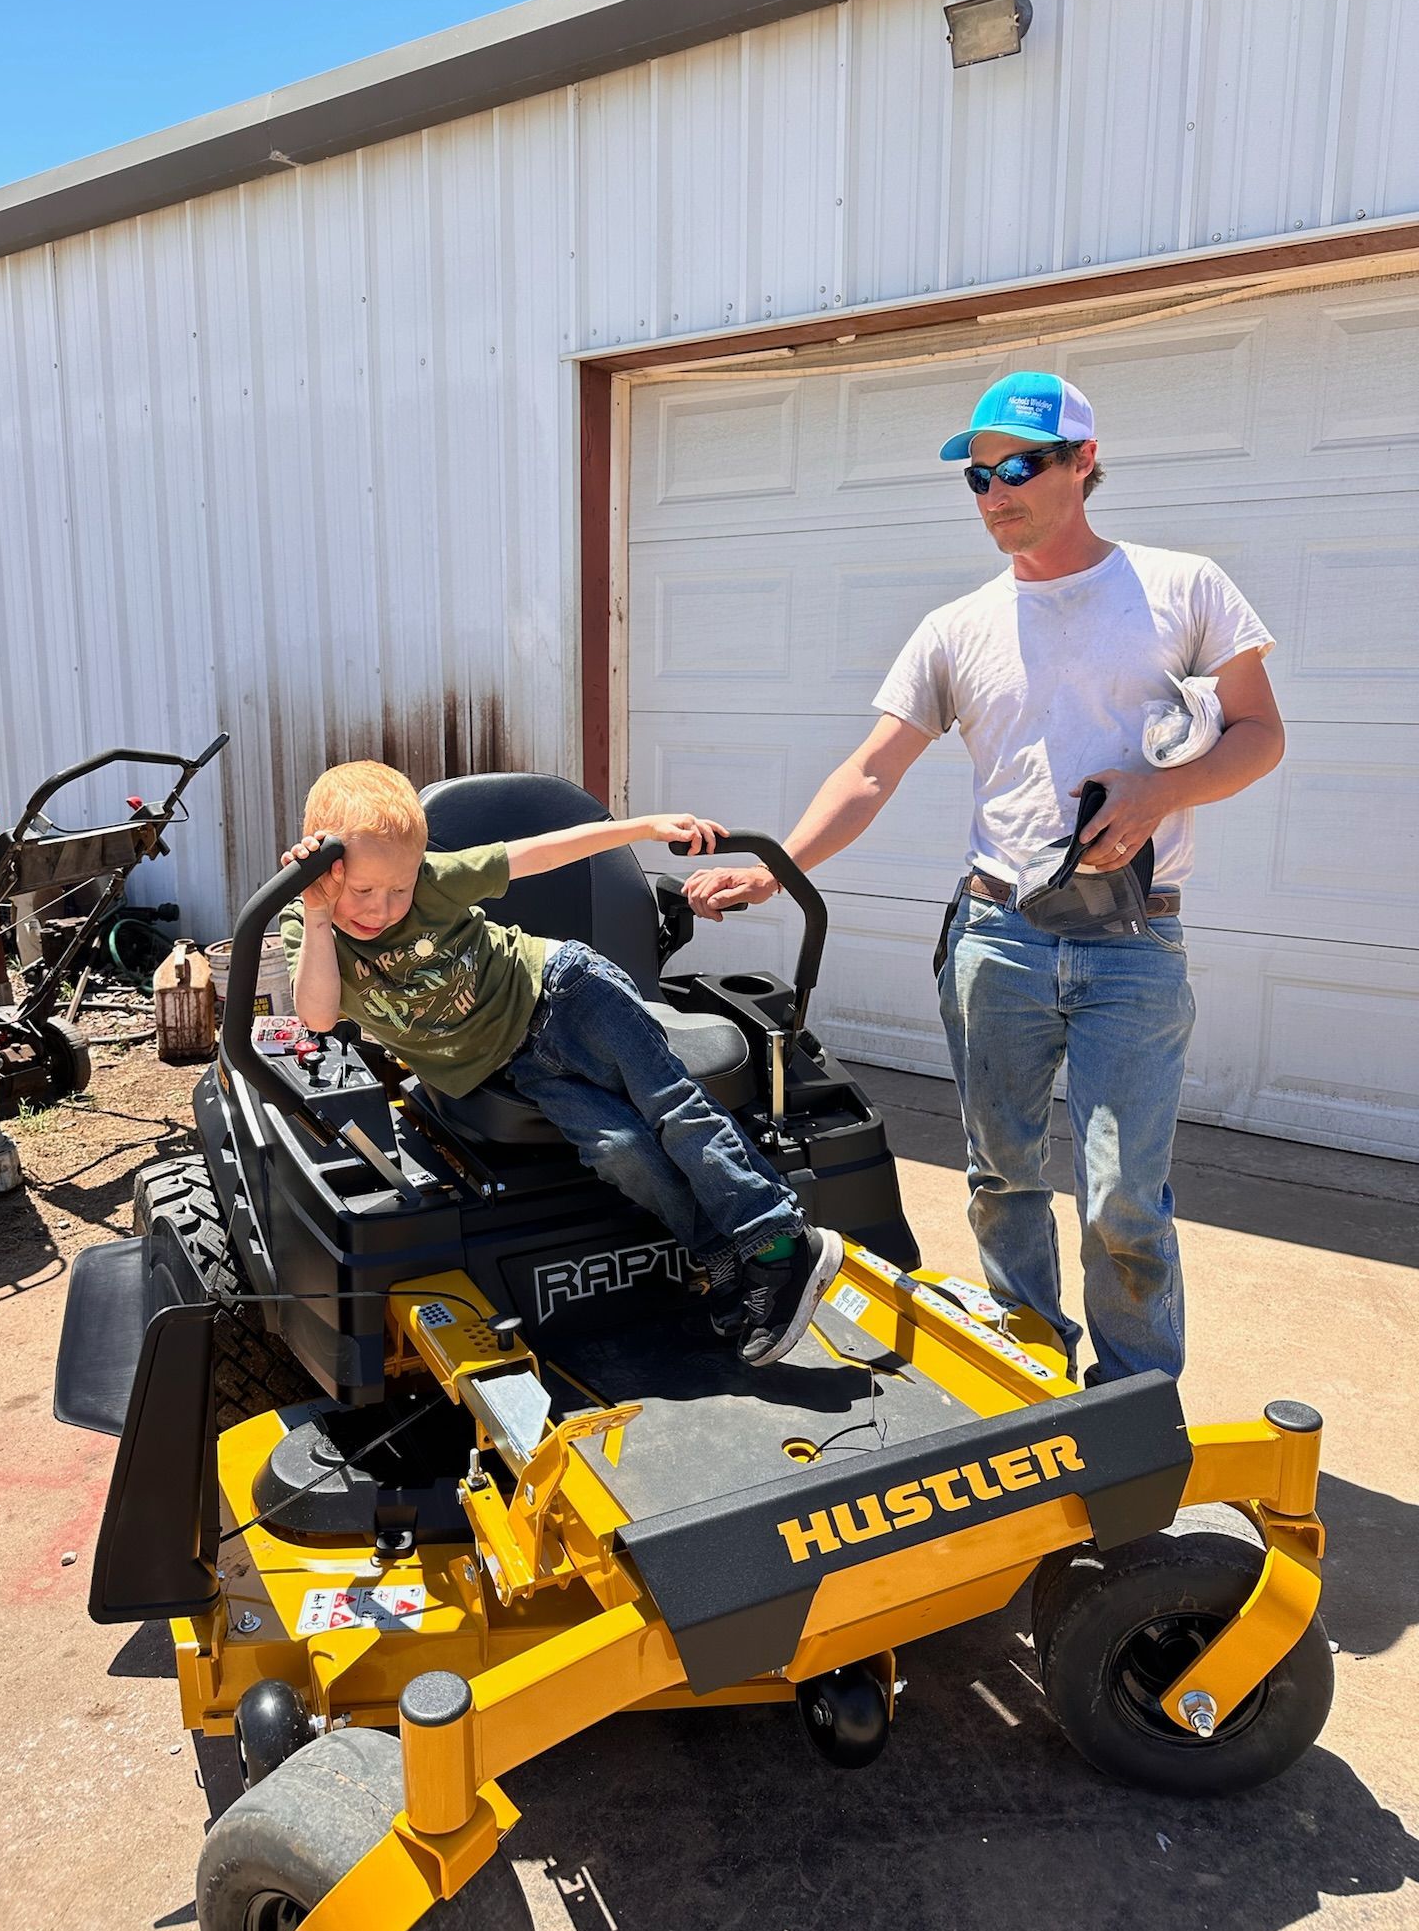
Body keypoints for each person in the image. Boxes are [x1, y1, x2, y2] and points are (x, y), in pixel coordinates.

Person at [686, 371, 1284, 1386]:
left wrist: (1155, 791)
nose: (996, 491)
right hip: (997, 939)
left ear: (1084, 462)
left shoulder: (1184, 587)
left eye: (1021, 466)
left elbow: (1260, 733)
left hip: (1133, 948)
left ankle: (1135, 1395)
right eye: (977, 474)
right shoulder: (956, 625)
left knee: (1122, 1196)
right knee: (1004, 1176)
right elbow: (872, 768)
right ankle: (1032, 1352)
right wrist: (775, 869)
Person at [277, 760, 842, 1366]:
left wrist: (644, 826)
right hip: (517, 1065)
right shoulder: (305, 924)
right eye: (362, 890)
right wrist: (315, 912)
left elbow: (540, 853)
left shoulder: (436, 881)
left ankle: (780, 1243)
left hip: (565, 992)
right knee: (619, 1148)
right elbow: (316, 1016)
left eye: (400, 888)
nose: (383, 907)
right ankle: (723, 1259)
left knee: (670, 1106)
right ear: (325, 871)